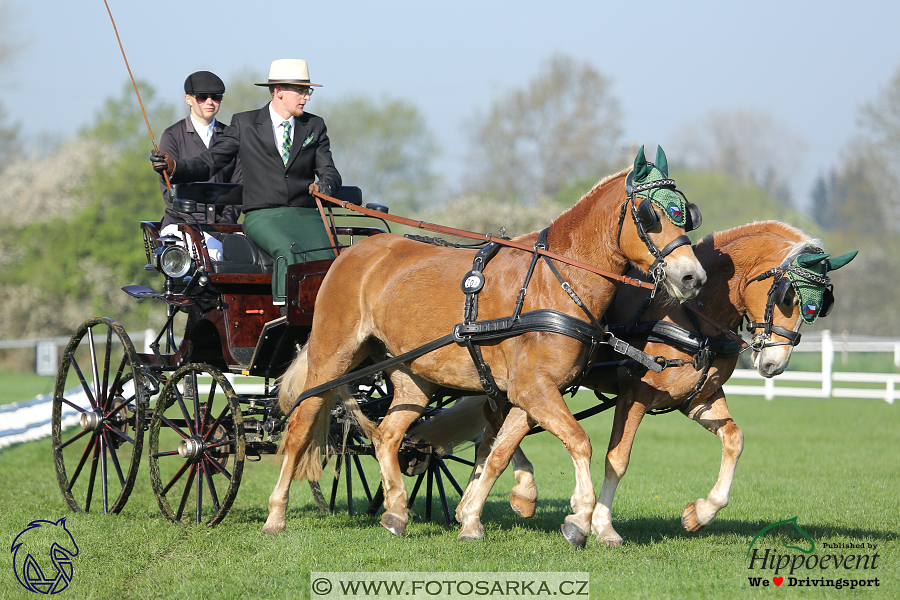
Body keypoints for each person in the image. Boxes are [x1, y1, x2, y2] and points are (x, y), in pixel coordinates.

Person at [152, 59, 341, 305]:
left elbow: (330, 172)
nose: (306, 97)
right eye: (301, 91)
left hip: (305, 214)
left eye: (308, 91)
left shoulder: (314, 125)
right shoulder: (245, 124)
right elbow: (210, 162)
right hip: (263, 215)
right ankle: (288, 316)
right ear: (279, 91)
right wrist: (175, 166)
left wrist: (324, 186)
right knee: (288, 250)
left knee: (331, 256)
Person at [157, 71, 242, 261]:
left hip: (224, 227)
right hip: (181, 225)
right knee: (213, 255)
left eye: (216, 97)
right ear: (188, 99)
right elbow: (168, 192)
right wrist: (201, 227)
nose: (210, 102)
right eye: (202, 97)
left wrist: (225, 227)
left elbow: (239, 189)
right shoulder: (172, 136)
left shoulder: (232, 137)